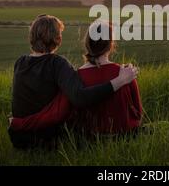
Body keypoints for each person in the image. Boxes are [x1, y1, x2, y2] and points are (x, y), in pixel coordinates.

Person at [8, 14, 138, 149]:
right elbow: (80, 98)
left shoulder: (20, 62)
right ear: (57, 39)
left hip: (17, 137)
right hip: (45, 139)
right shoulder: (57, 63)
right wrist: (120, 80)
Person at [69, 21, 142, 135]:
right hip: (127, 134)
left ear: (88, 43)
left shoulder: (77, 76)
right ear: (110, 44)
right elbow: (138, 113)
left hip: (91, 139)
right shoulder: (125, 73)